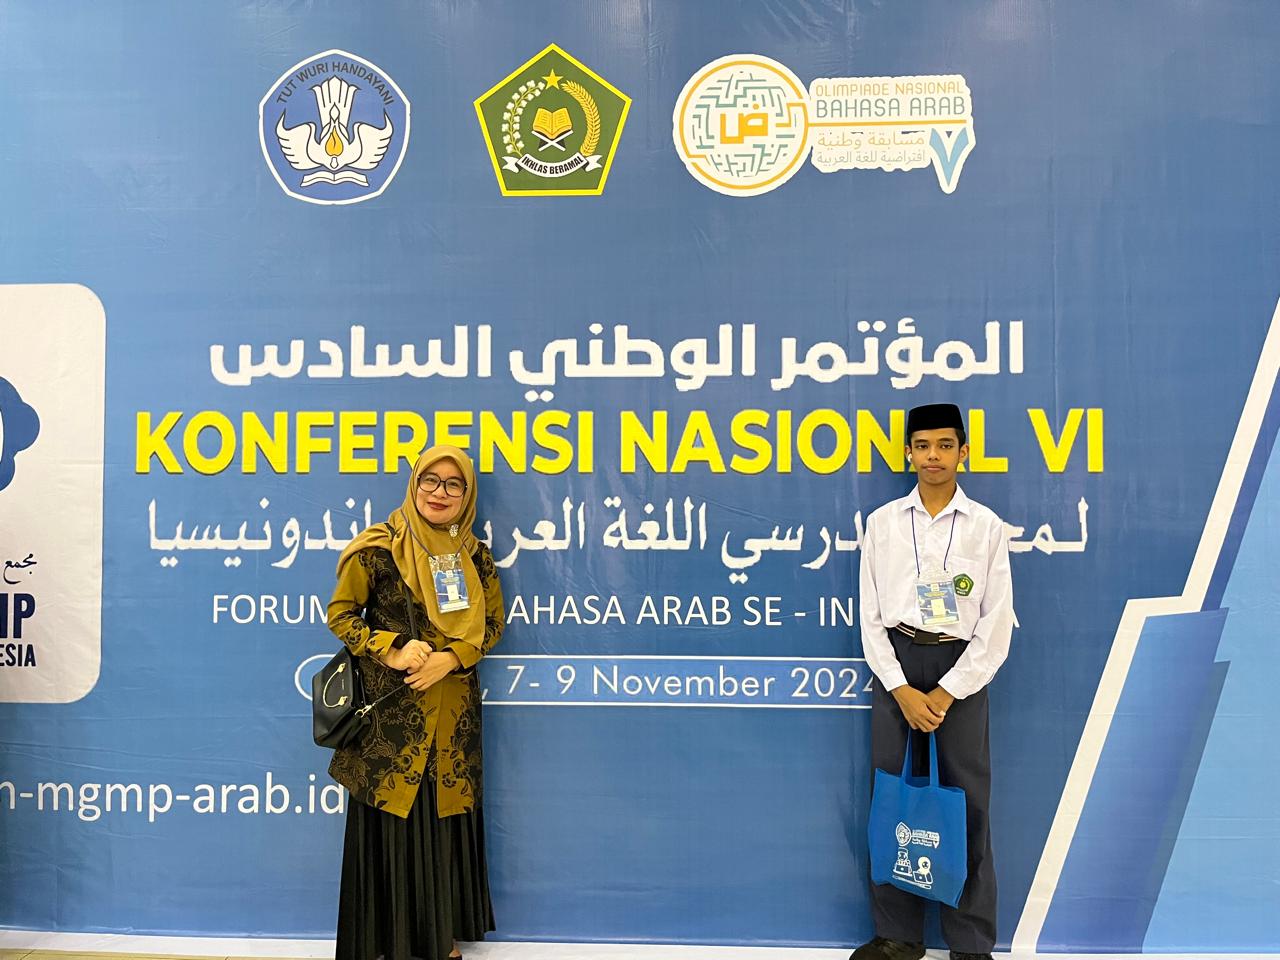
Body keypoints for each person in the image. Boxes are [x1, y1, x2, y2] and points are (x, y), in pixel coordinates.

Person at [326, 445, 505, 960]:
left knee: (440, 823)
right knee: (392, 822)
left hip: (452, 718)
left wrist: (451, 658)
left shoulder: (474, 555)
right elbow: (341, 615)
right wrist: (393, 650)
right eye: (431, 480)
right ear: (414, 483)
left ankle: (437, 937)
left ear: (466, 495)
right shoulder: (378, 549)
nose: (439, 493)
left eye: (454, 484)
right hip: (392, 724)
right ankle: (383, 940)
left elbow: (492, 625)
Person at [851, 403, 1014, 960]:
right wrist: (899, 688)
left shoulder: (986, 526)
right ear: (908, 454)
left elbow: (997, 623)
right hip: (896, 666)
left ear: (963, 453)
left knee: (966, 804)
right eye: (922, 446)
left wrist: (947, 691)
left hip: (959, 669)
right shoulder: (883, 523)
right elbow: (870, 616)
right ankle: (898, 935)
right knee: (892, 797)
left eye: (945, 445)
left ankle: (970, 943)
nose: (933, 456)